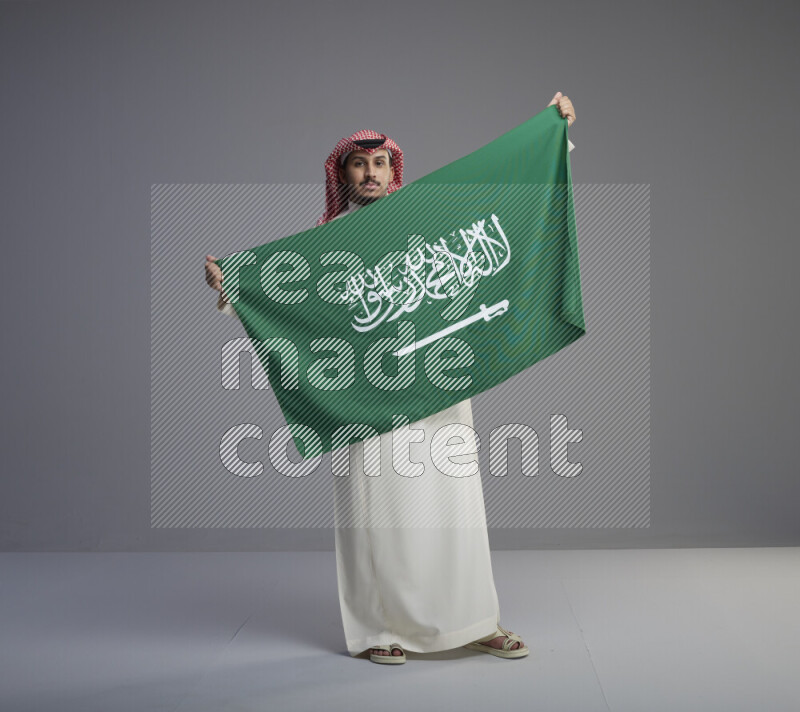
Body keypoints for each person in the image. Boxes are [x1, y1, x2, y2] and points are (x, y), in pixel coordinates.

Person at [205, 92, 577, 664]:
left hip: (439, 388)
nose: (371, 172)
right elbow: (288, 298)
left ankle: (475, 620)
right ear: (344, 174)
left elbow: (509, 199)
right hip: (367, 399)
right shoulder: (328, 247)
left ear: (393, 169)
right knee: (379, 514)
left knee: (454, 506)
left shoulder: (428, 224)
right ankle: (381, 630)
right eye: (360, 163)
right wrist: (234, 286)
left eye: (380, 163)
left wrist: (554, 133)